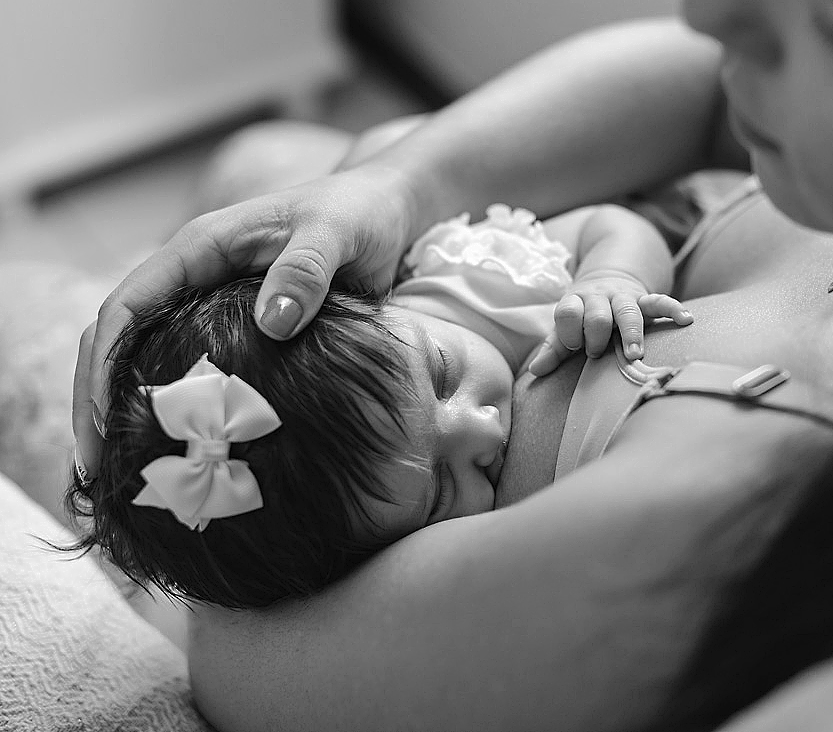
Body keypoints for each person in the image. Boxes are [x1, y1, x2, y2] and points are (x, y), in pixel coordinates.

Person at [70, 0, 833, 731]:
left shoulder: (705, 513)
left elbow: (242, 659)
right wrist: (402, 183)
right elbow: (701, 87)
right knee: (269, 161)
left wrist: (206, 488)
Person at [67, 203, 689, 608]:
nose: (482, 430)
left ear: (371, 300)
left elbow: (610, 222)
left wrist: (613, 278)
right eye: (441, 488)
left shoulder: (477, 283)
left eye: (442, 375)